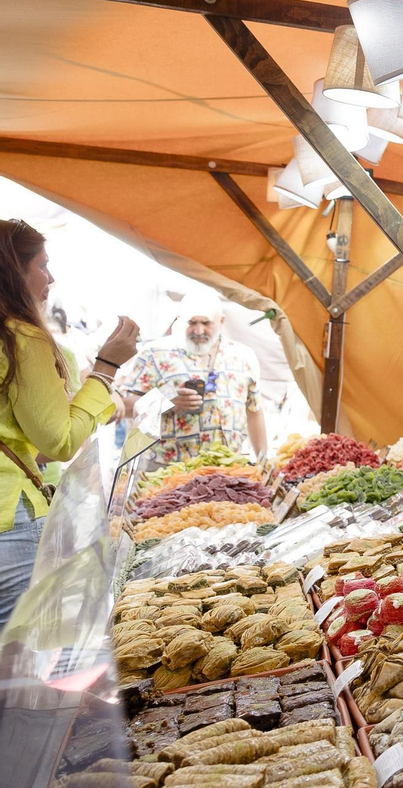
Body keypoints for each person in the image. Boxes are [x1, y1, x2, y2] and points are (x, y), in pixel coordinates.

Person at [0, 220, 138, 628]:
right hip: (9, 518)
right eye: (43, 265)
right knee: (18, 665)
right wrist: (106, 368)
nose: (51, 278)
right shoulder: (20, 338)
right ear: (12, 271)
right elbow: (58, 441)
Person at [115, 290, 267, 464]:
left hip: (228, 468)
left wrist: (262, 459)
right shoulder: (154, 353)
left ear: (221, 321)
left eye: (206, 323)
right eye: (192, 322)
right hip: (168, 471)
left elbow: (254, 411)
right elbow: (125, 408)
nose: (199, 330)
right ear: (180, 319)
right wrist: (166, 401)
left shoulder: (243, 356)